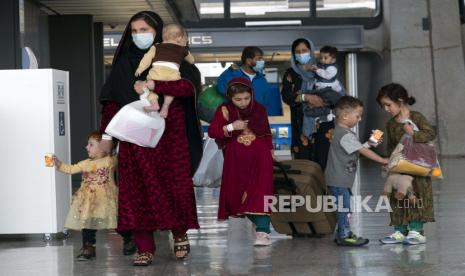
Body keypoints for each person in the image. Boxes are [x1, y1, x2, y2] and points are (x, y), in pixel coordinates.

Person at [98, 11, 203, 265]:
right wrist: (106, 137)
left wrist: (155, 86)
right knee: (138, 192)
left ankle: (179, 234)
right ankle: (144, 247)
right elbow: (112, 103)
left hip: (171, 136)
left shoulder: (178, 59)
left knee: (174, 185)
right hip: (136, 139)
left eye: (144, 30)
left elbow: (188, 88)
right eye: (134, 31)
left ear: (157, 31)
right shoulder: (123, 65)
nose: (139, 35)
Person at [208, 77, 274, 246]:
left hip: (260, 158)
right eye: (238, 99)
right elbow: (213, 131)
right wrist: (231, 127)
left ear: (251, 94)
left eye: (246, 98)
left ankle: (262, 231)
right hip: (236, 161)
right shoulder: (224, 110)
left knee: (261, 192)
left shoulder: (259, 109)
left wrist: (271, 151)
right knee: (237, 195)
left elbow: (266, 133)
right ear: (230, 98)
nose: (243, 102)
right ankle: (256, 220)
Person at [325, 96, 389, 246]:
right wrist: (382, 160)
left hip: (341, 180)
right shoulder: (344, 134)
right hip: (338, 180)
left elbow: (357, 151)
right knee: (345, 207)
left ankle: (341, 232)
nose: (359, 119)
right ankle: (344, 234)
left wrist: (372, 142)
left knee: (344, 207)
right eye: (357, 116)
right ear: (345, 116)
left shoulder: (345, 133)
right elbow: (361, 150)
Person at [377, 83, 436, 245]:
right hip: (399, 169)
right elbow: (391, 148)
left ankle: (416, 231)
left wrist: (414, 133)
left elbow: (430, 133)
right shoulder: (390, 124)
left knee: (416, 196)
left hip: (417, 168)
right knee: (397, 199)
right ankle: (400, 231)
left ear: (400, 101)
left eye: (388, 105)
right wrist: (388, 163)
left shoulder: (416, 117)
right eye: (383, 106)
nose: (386, 109)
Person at [53, 131, 118, 261]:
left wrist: (107, 135)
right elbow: (71, 169)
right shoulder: (85, 163)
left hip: (106, 201)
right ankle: (88, 247)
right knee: (87, 225)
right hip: (89, 203)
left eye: (91, 144)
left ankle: (129, 239)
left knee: (118, 222)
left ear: (103, 147)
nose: (86, 147)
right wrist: (59, 164)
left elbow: (110, 146)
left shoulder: (109, 161)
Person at [281, 38, 340, 170]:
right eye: (297, 51)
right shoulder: (291, 74)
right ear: (293, 54)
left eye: (304, 50)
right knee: (303, 165)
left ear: (311, 51)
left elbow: (338, 95)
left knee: (325, 163)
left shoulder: (323, 69)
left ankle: (325, 191)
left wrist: (323, 101)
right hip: (301, 124)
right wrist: (305, 97)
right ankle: (306, 191)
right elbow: (287, 97)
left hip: (324, 125)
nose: (301, 54)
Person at [135, 23, 195, 117]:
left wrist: (140, 69)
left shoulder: (156, 47)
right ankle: (166, 106)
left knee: (150, 89)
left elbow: (147, 58)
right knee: (171, 90)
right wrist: (187, 53)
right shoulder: (182, 50)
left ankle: (154, 104)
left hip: (156, 73)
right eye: (185, 38)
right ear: (179, 38)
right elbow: (191, 60)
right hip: (173, 74)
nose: (186, 40)